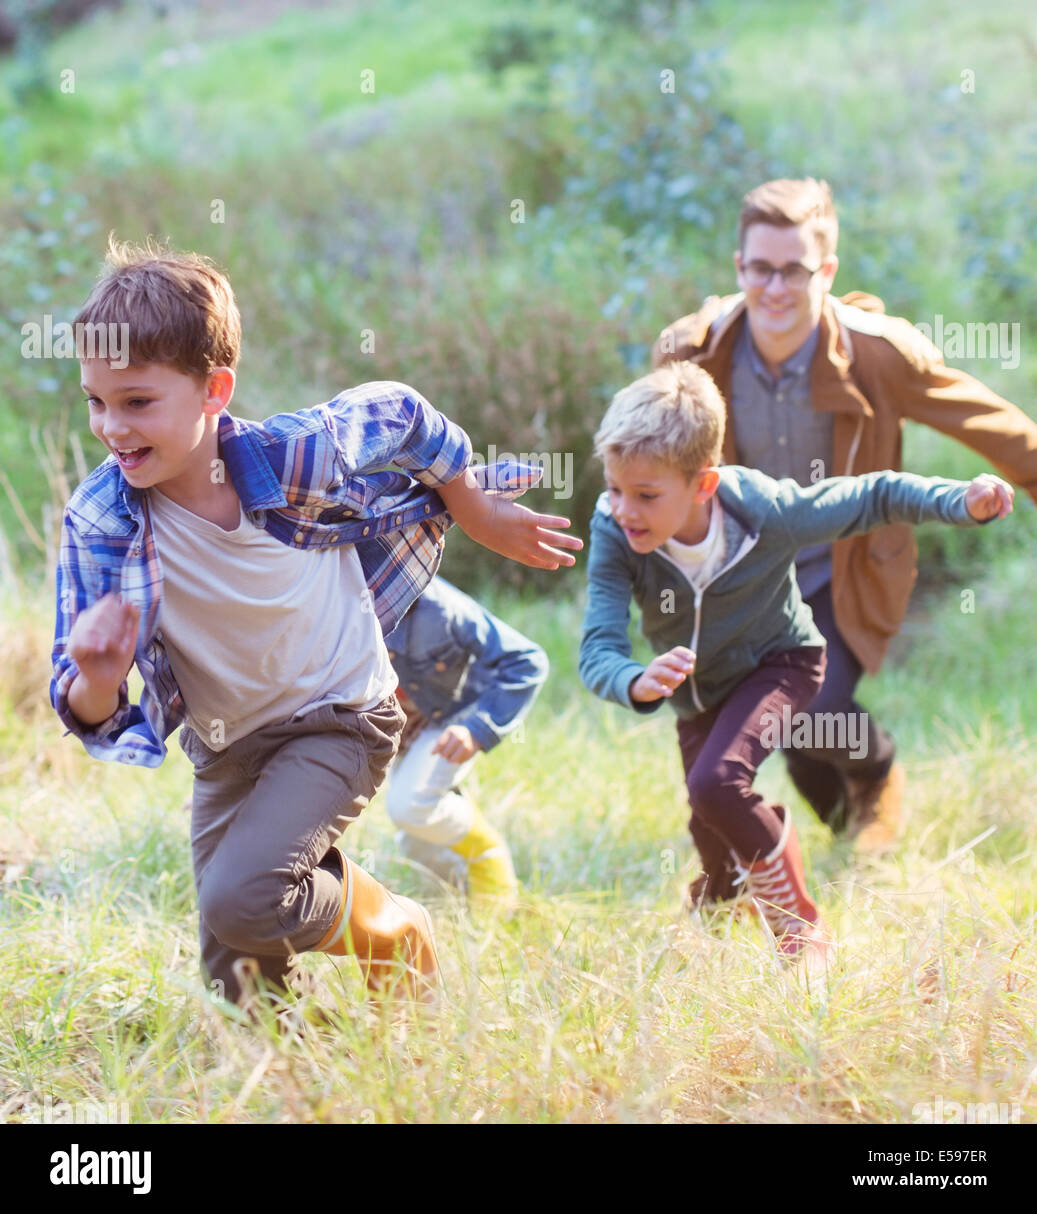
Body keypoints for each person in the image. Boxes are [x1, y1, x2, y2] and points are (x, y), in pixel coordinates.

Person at [49, 238, 581, 1013]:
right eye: (96, 401)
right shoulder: (100, 518)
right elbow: (86, 705)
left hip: (339, 716)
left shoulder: (292, 455)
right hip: (228, 747)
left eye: (137, 402)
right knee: (241, 988)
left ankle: (396, 927)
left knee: (242, 900)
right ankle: (316, 1069)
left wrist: (474, 507)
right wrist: (98, 679)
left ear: (213, 391)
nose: (111, 427)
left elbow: (401, 413)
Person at [578, 361, 1013, 958]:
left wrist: (958, 501)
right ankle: (719, 895)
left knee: (716, 783)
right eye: (615, 489)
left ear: (703, 485)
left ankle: (800, 930)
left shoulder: (763, 510)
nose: (625, 509)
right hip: (698, 692)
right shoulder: (614, 530)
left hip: (781, 662)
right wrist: (634, 678)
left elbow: (871, 496)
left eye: (647, 495)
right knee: (712, 831)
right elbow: (597, 645)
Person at [652, 178, 1037, 851]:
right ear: (738, 266)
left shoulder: (878, 354)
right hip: (745, 579)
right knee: (801, 742)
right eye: (760, 268)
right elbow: (648, 458)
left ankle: (878, 770)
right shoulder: (695, 355)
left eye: (794, 270)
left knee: (813, 709)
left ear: (825, 271)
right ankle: (851, 816)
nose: (775, 288)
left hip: (842, 566)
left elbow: (988, 424)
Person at [383, 575, 548, 912]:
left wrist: (477, 729)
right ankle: (458, 900)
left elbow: (527, 661)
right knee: (417, 843)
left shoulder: (439, 609)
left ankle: (488, 857)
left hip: (451, 719)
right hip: (402, 728)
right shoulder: (332, 600)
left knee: (411, 805)